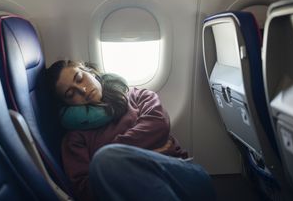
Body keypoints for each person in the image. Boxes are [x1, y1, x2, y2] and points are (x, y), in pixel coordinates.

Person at [46, 60, 215, 201]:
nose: (82, 90)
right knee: (106, 159)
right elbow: (85, 190)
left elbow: (159, 125)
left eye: (80, 78)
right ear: (67, 106)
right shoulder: (75, 139)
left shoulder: (138, 96)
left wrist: (116, 162)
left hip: (184, 178)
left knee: (106, 159)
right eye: (71, 94)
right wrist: (137, 158)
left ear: (89, 70)